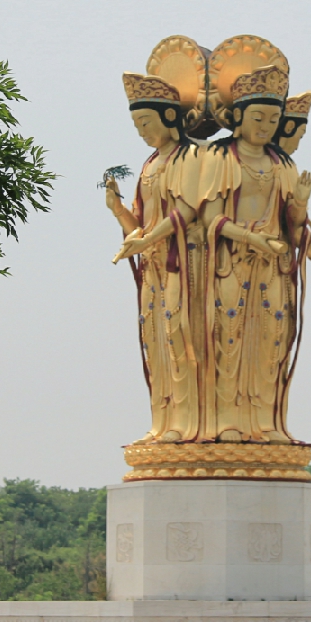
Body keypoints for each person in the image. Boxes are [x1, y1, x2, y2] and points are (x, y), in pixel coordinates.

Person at [105, 73, 233, 443]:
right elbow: (139, 223)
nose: (143, 132)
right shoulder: (149, 164)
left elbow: (187, 212)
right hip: (154, 267)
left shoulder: (191, 156)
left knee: (183, 334)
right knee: (157, 341)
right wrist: (117, 210)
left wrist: (146, 240)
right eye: (137, 125)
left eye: (147, 123)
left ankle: (193, 422)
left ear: (169, 118)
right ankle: (165, 421)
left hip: (186, 260)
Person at [196, 68, 310, 443]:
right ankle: (227, 419)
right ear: (238, 117)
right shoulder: (219, 157)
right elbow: (211, 219)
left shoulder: (284, 164)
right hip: (232, 265)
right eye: (258, 117)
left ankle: (265, 421)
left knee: (271, 341)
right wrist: (254, 240)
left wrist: (302, 205)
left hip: (274, 268)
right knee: (230, 339)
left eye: (274, 119)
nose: (265, 126)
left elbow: (293, 226)